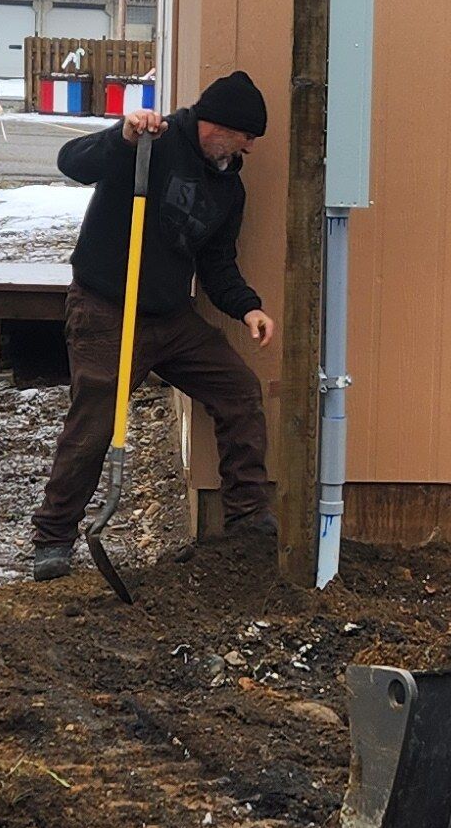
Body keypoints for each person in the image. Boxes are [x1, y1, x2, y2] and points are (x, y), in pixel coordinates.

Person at [32, 69, 277, 579]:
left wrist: (247, 306)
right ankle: (54, 537)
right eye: (246, 136)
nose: (250, 148)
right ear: (218, 124)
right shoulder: (149, 143)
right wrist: (120, 136)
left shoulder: (228, 184)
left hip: (170, 318)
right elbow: (71, 163)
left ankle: (248, 520)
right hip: (107, 310)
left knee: (239, 390)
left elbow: (217, 264)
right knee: (93, 424)